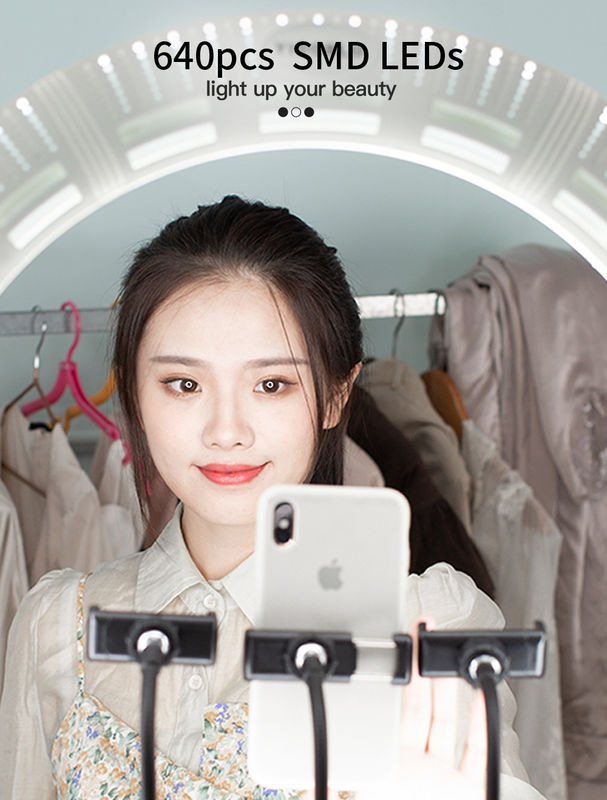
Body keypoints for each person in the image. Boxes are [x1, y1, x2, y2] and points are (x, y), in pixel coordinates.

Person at [0, 195, 544, 799]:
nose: (226, 430)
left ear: (336, 396)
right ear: (134, 396)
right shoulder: (59, 626)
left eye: (271, 384)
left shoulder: (423, 631)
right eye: (184, 383)